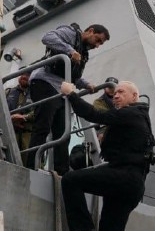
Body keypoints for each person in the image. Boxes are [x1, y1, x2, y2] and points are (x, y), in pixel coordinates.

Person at [58, 80, 153, 231]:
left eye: (122, 92)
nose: (116, 95)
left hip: (124, 176)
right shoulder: (137, 117)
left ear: (134, 96)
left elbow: (94, 114)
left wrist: (71, 94)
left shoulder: (131, 113)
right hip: (131, 184)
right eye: (115, 92)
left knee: (71, 180)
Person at [25, 23, 110, 175]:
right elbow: (47, 37)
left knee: (63, 132)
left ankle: (62, 172)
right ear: (90, 31)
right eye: (98, 40)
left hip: (61, 89)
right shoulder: (70, 33)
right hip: (44, 82)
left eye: (100, 44)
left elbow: (72, 75)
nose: (97, 45)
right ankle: (31, 166)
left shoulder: (83, 52)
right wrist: (70, 50)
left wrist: (85, 84)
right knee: (43, 126)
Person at [5, 72, 34, 165]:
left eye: (28, 75)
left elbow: (41, 111)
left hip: (28, 135)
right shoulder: (8, 92)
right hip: (10, 133)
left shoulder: (37, 93)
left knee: (28, 164)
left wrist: (24, 117)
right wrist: (11, 118)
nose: (24, 76)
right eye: (22, 74)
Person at [92, 76, 118, 143]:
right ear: (104, 88)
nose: (111, 89)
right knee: (103, 136)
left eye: (113, 87)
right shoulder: (98, 102)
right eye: (109, 87)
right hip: (104, 127)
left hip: (120, 124)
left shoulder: (122, 98)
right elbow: (104, 115)